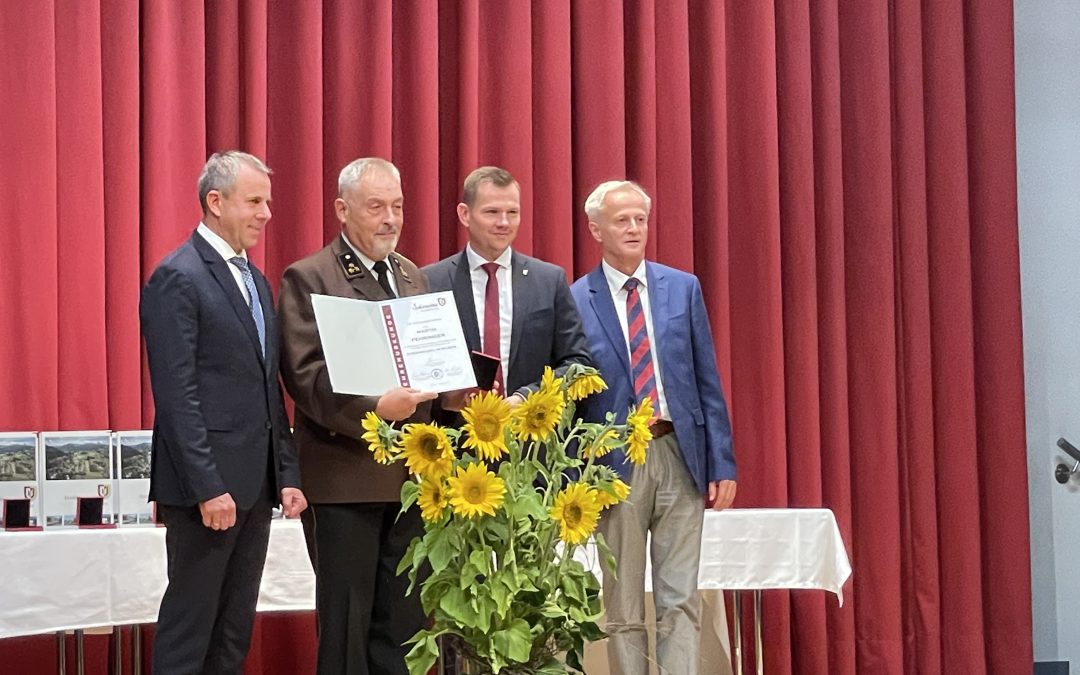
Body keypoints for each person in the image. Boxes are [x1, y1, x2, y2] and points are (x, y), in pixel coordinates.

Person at [140, 151, 307, 675]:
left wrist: (287, 473)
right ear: (215, 202)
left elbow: (267, 388)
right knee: (191, 628)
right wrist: (207, 486)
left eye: (268, 202)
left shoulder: (255, 281)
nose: (266, 213)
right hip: (206, 492)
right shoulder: (178, 277)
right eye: (254, 201)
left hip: (254, 489)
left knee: (233, 631)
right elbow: (177, 396)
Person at [570, 180, 737, 675]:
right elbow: (572, 394)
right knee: (621, 606)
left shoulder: (682, 288)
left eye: (641, 219)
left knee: (680, 597)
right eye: (622, 220)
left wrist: (721, 460)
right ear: (596, 228)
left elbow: (707, 378)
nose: (634, 228)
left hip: (679, 454)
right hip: (615, 463)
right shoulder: (577, 299)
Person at [277, 157, 437, 675]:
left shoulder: (412, 274)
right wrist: (376, 411)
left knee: (404, 624)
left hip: (412, 481)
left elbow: (425, 360)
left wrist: (452, 389)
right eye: (376, 207)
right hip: (344, 476)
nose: (390, 218)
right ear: (343, 210)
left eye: (397, 206)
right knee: (346, 630)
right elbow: (304, 375)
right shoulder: (310, 276)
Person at [423, 166, 591, 407]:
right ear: (464, 214)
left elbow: (577, 363)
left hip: (529, 437)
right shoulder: (431, 281)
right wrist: (450, 397)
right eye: (492, 212)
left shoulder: (548, 280)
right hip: (453, 437)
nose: (504, 222)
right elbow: (417, 367)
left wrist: (526, 398)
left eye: (512, 212)